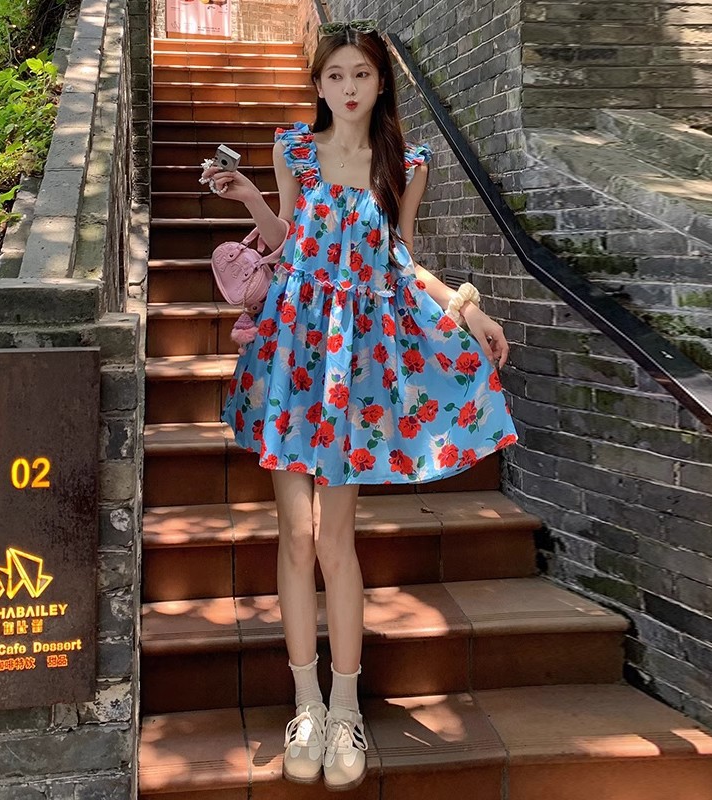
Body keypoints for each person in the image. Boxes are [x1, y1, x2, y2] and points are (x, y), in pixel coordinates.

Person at [201, 17, 517, 792]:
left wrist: (468, 308)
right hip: (292, 350)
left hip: (354, 364)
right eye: (335, 75)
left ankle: (345, 708)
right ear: (318, 84)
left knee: (335, 537)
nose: (348, 88)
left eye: (361, 75)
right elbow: (287, 242)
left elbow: (402, 259)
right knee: (295, 534)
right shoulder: (294, 149)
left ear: (381, 83)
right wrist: (250, 195)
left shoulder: (405, 162)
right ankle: (305, 705)